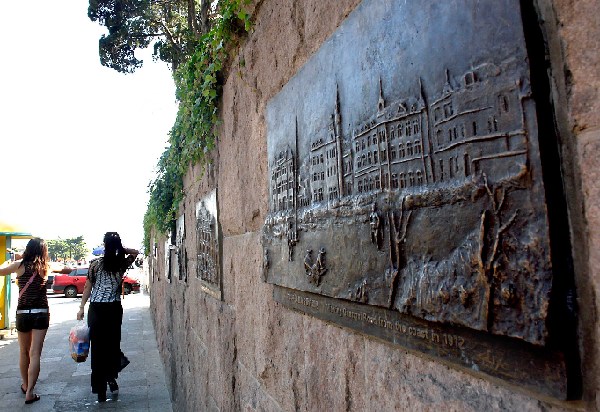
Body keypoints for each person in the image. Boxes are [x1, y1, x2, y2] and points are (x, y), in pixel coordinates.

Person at [77, 232, 139, 402]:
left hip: (96, 309)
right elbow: (136, 252)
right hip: (113, 309)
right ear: (118, 245)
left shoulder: (95, 264)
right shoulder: (121, 263)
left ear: (104, 245)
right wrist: (120, 249)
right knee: (112, 345)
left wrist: (81, 307)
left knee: (98, 348)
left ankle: (100, 389)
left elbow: (88, 287)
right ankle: (111, 377)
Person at [0, 238, 50, 405]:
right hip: (41, 312)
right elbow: (66, 268)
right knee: (35, 353)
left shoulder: (19, 265)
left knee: (23, 352)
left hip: (23, 313)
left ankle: (25, 384)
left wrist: (9, 261)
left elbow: (1, 271)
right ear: (43, 251)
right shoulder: (45, 266)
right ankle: (30, 392)